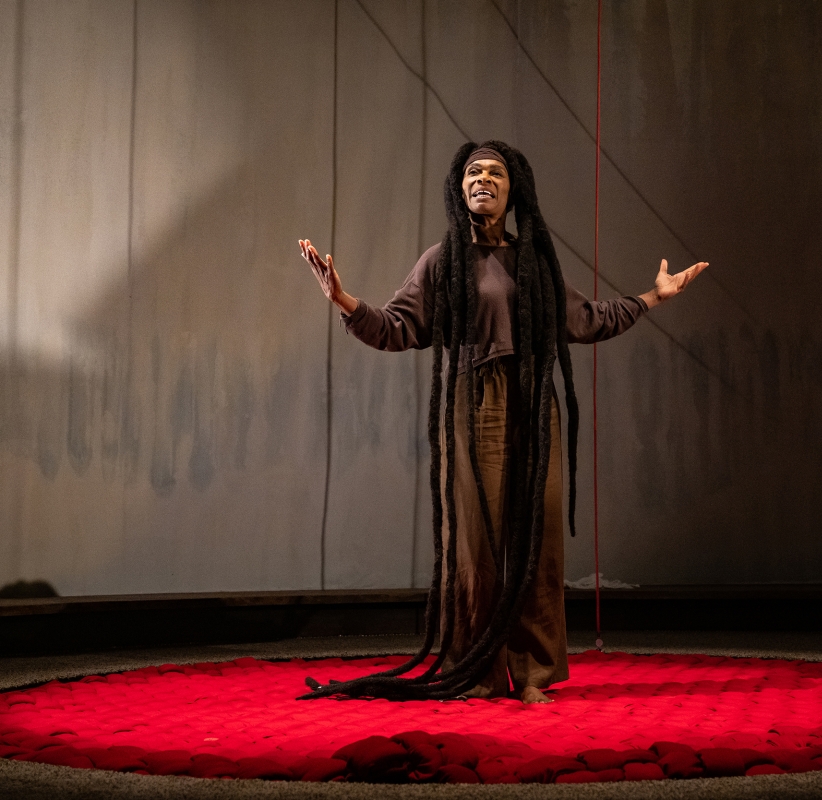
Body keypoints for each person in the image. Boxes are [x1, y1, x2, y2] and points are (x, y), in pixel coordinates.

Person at [298, 141, 706, 704]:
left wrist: (652, 299)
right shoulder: (442, 261)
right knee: (479, 547)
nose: (482, 178)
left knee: (537, 544)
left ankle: (535, 673)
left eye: (494, 172)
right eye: (473, 172)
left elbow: (587, 321)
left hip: (535, 404)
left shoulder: (534, 261)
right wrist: (342, 298)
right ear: (459, 188)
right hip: (475, 405)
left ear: (514, 192)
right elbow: (396, 328)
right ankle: (480, 672)